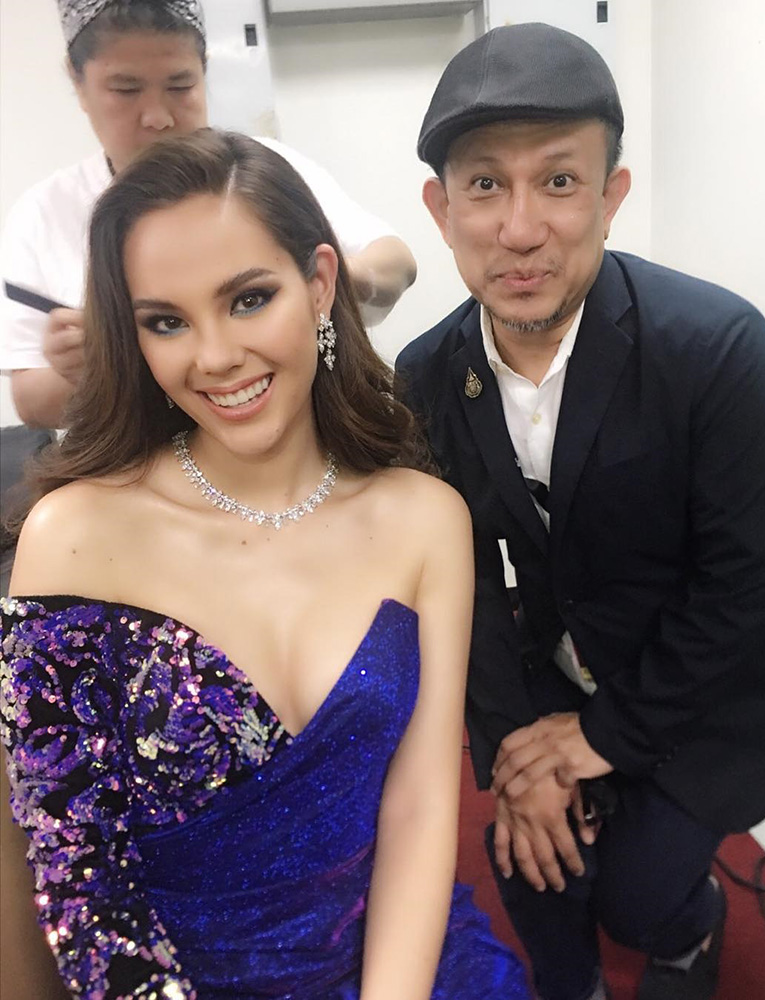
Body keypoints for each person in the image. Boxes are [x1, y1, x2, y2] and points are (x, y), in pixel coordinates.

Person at [0, 128, 530, 1000]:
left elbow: (419, 808)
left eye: (248, 300)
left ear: (319, 283)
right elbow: (71, 865)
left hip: (395, 964)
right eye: (166, 322)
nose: (213, 356)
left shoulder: (425, 519)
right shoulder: (74, 538)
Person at [396, 22, 765, 1000]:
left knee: (639, 892)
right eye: (484, 184)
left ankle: (689, 929)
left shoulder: (712, 347)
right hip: (566, 665)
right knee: (532, 865)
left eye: (559, 181)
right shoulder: (427, 373)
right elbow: (462, 582)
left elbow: (751, 584)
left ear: (611, 196)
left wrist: (605, 737)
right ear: (440, 208)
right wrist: (515, 755)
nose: (519, 228)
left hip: (713, 687)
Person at [0, 0, 416, 430]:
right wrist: (97, 361)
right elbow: (32, 402)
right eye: (125, 90)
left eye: (180, 86)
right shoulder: (44, 215)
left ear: (204, 68)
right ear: (77, 79)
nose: (158, 118)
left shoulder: (259, 174)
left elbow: (396, 263)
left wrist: (314, 280)